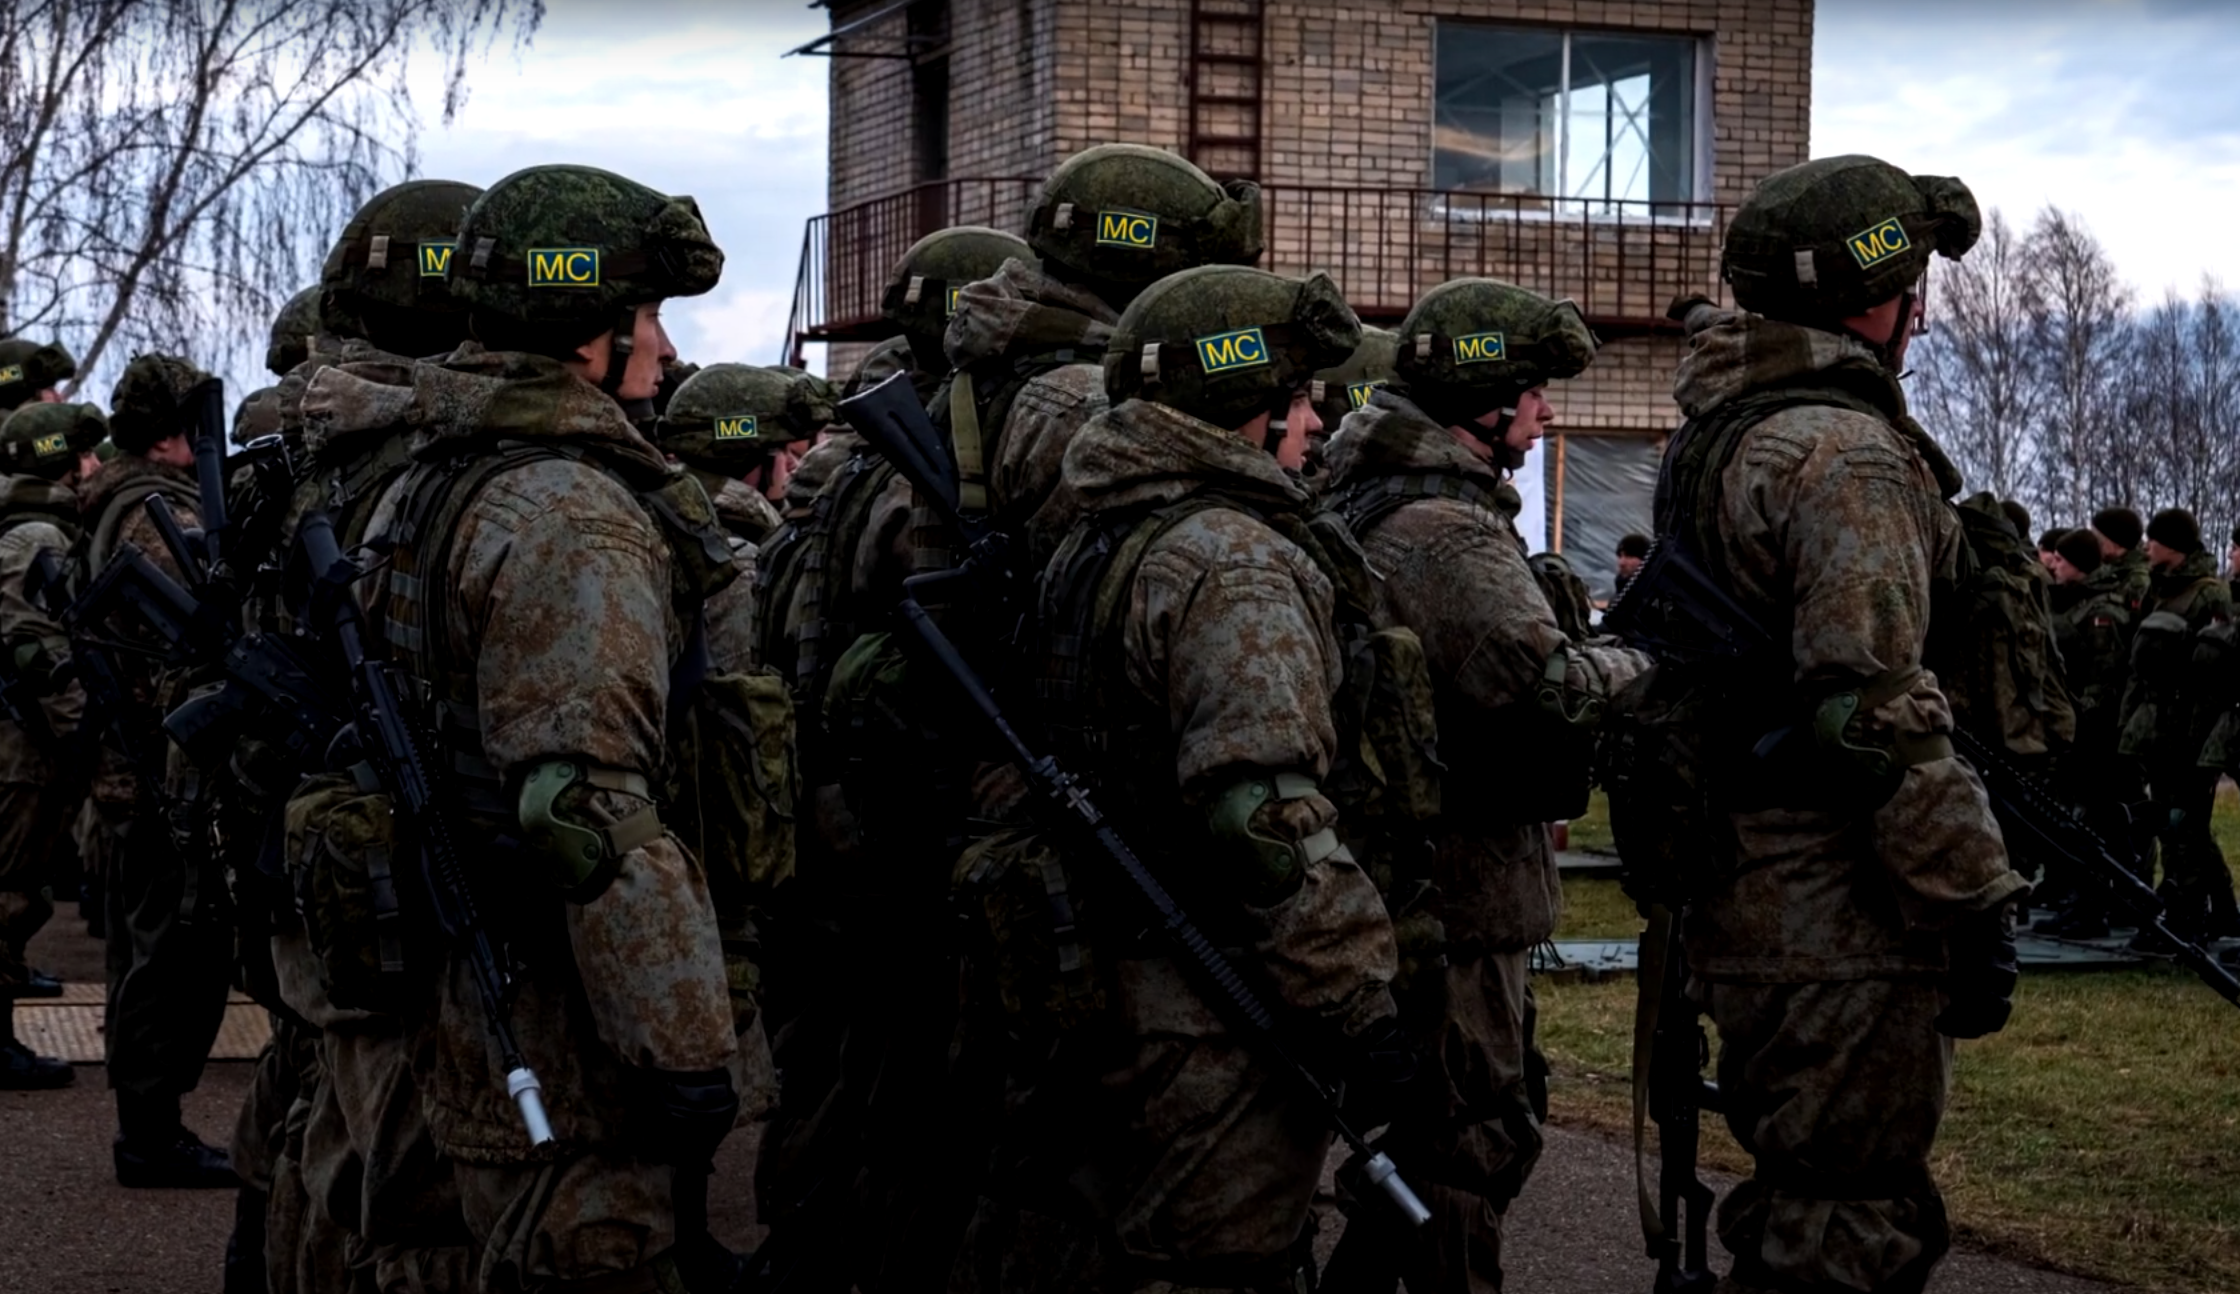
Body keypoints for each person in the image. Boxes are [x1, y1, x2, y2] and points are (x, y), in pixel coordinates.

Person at [949, 265, 1401, 1291]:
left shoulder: (1098, 532)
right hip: (1207, 1003)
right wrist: (1357, 1004)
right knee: (1215, 1265)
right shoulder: (1230, 561)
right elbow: (1262, 817)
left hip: (1094, 966)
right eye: (1296, 400)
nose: (1314, 425)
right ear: (1244, 408)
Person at [338, 163, 745, 1292]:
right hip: (562, 1006)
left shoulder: (436, 471)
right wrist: (680, 1044)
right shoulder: (570, 513)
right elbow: (581, 809)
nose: (663, 348)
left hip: (475, 966)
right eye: (647, 316)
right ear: (586, 333)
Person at [1652, 155, 2023, 1294]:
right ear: (1876, 301)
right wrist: (1972, 897)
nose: (1919, 311)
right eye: (1911, 287)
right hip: (1838, 913)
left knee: (1801, 1199)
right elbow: (1871, 708)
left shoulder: (1725, 431)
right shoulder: (1844, 452)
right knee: (1845, 1222)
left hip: (1747, 887)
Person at [1316, 278, 1646, 1292]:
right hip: (1457, 890)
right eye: (1532, 389)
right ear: (1482, 400)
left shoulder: (1374, 497)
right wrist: (1642, 665)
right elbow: (1547, 686)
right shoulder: (1447, 532)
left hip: (1420, 881)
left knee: (1442, 1132)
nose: (1544, 410)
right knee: (1469, 1139)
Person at [83, 353, 240, 1188]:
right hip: (158, 768)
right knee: (169, 957)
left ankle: (147, 1124)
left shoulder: (119, 500)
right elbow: (195, 634)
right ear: (170, 436)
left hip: (136, 764)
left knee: (147, 953)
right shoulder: (153, 513)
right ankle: (150, 1133)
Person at [0, 401, 103, 1089]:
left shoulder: (29, 528)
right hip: (20, 751)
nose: (93, 465)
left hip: (20, 744)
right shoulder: (38, 536)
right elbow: (41, 652)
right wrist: (84, 742)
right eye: (84, 454)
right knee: (7, 894)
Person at [652, 361, 835, 670]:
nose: (793, 465)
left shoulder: (667, 513)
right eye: (781, 451)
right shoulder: (736, 563)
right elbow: (742, 683)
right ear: (747, 456)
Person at [2119, 506, 2237, 947]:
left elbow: (2215, 670)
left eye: (2155, 539)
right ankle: (2220, 908)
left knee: (2184, 822)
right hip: (2158, 725)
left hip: (2191, 725)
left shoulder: (2210, 596)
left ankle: (2189, 914)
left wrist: (2202, 736)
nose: (2147, 546)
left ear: (2174, 545)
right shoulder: (2159, 591)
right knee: (2173, 821)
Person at [2039, 528, 2135, 938]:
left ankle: (2092, 908)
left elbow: (2104, 677)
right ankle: (2086, 901)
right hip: (2076, 726)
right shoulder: (2073, 604)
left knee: (2092, 820)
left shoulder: (2103, 611)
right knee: (2085, 818)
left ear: (2078, 564)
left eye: (2061, 560)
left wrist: (2081, 721)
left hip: (2095, 733)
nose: (2054, 566)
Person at [2094, 507, 2152, 612]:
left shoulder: (2137, 582)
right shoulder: (2109, 569)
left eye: (2099, 541)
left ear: (2117, 545)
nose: (2093, 545)